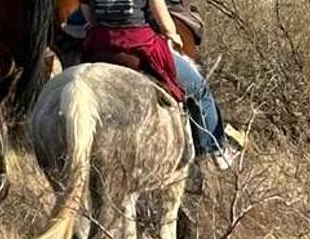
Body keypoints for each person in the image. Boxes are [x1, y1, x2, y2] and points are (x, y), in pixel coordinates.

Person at [78, 0, 241, 169]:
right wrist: (172, 34)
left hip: (99, 44)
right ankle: (214, 151)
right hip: (137, 43)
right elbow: (158, 8)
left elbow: (87, 12)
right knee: (198, 88)